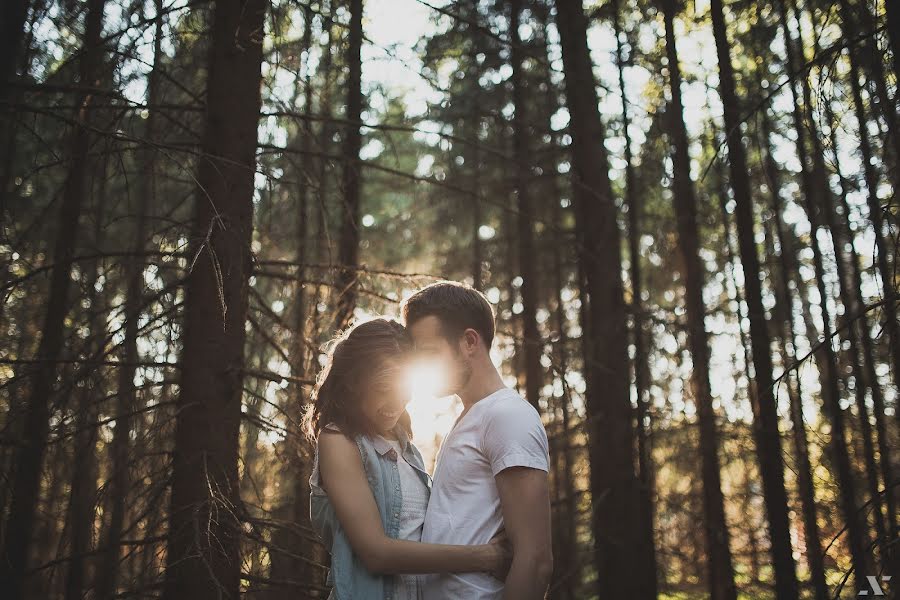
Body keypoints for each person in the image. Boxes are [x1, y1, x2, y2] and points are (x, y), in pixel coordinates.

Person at [302, 317, 510, 600]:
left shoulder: (406, 449)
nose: (395, 404)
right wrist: (485, 557)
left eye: (404, 389)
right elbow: (377, 554)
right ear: (354, 382)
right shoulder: (339, 441)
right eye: (383, 389)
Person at [400, 281, 553, 600]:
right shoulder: (469, 418)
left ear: (470, 342)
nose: (421, 365)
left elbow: (536, 560)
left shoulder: (508, 415)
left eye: (429, 353)